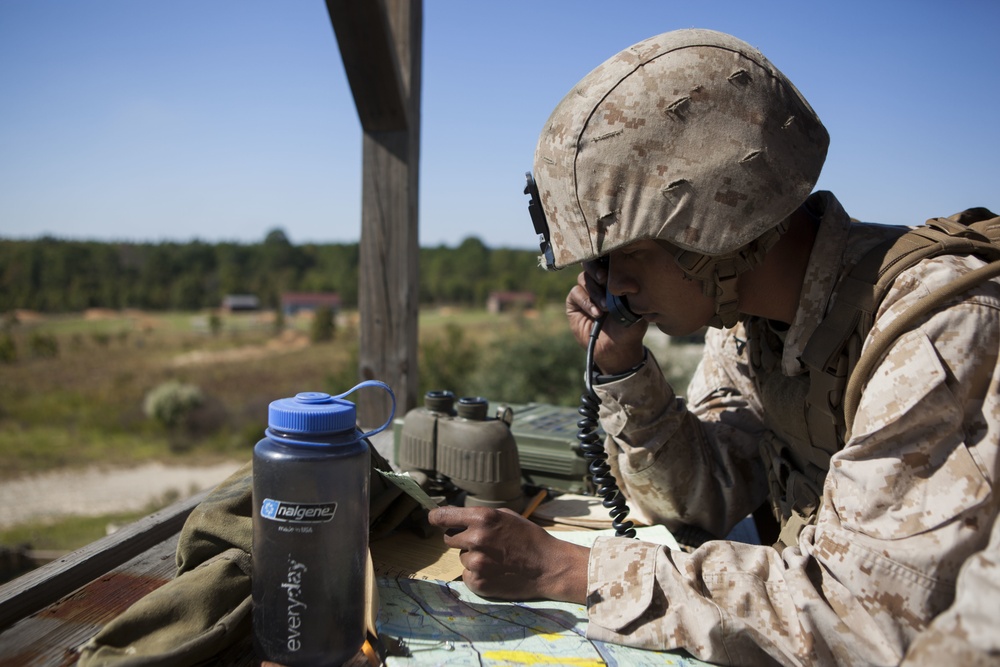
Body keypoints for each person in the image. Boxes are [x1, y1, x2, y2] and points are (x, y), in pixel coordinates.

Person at [428, 28, 1000, 665]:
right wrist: (622, 369)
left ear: (723, 235)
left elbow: (867, 616)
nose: (609, 286)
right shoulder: (751, 323)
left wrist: (578, 573)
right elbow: (704, 493)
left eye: (631, 255)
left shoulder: (934, 326)